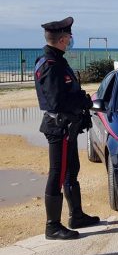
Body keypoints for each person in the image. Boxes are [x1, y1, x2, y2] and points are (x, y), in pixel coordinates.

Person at [34, 17, 99, 240]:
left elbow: (68, 92)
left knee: (72, 170)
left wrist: (82, 99)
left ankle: (77, 215)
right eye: (69, 37)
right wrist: (82, 102)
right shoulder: (51, 64)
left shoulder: (58, 60)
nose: (71, 40)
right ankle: (52, 226)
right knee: (57, 173)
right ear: (62, 39)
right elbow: (55, 102)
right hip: (59, 127)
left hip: (68, 127)